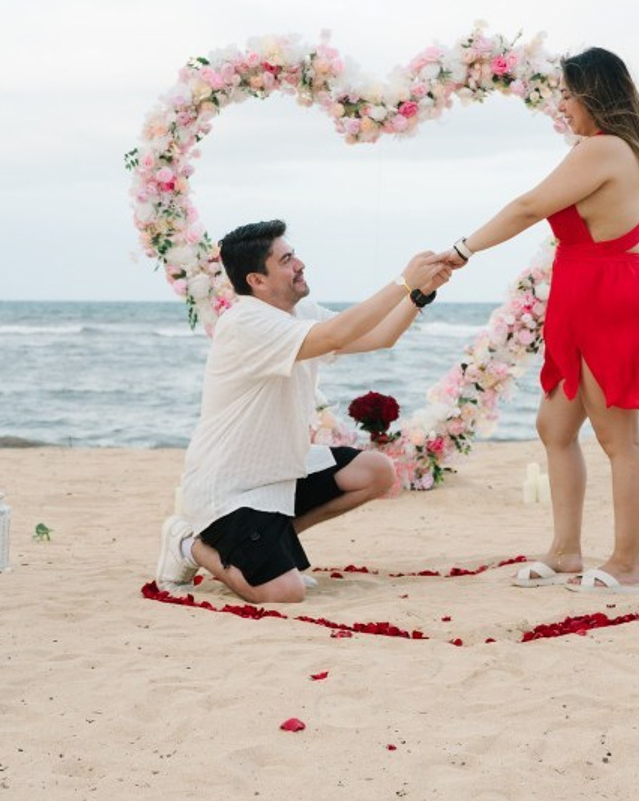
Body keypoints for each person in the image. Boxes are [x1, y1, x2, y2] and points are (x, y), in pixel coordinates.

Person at [442, 48, 639, 593]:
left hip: (609, 299)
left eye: (569, 94)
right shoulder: (606, 149)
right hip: (580, 295)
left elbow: (529, 207)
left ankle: (625, 563)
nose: (562, 105)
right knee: (554, 426)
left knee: (618, 437)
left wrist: (462, 250)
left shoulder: (604, 149)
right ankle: (566, 552)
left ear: (594, 95)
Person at [155, 219, 451, 605]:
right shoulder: (246, 323)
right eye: (286, 259)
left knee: (376, 472)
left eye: (294, 255)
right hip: (230, 489)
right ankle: (187, 543)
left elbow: (380, 336)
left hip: (280, 468)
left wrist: (420, 293)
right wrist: (402, 281)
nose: (300, 264)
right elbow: (335, 335)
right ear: (257, 280)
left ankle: (271, 546)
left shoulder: (301, 311)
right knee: (283, 592)